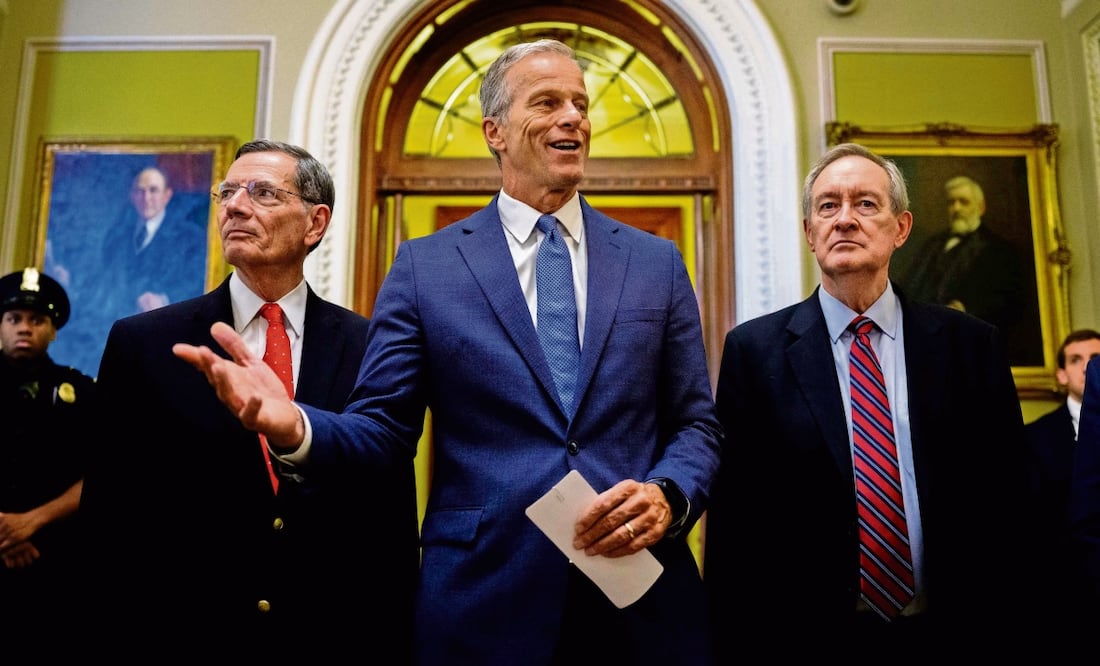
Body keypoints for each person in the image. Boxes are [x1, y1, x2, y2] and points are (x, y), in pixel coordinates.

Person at [174, 40, 722, 665]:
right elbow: (382, 432)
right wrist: (296, 425)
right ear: (495, 131)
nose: (574, 117)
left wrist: (668, 495)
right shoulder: (425, 267)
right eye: (547, 102)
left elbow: (696, 424)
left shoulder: (655, 262)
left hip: (640, 602)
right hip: (484, 602)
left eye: (580, 103)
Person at [78, 141, 418, 662]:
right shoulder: (144, 342)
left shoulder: (371, 345)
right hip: (178, 635)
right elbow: (108, 521)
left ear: (315, 223)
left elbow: (387, 519)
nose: (236, 206)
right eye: (228, 193)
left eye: (262, 193)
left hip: (331, 637)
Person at [702, 143, 1035, 660]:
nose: (845, 220)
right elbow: (737, 525)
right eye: (828, 206)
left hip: (957, 633)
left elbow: (1011, 502)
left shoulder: (970, 345)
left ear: (901, 228)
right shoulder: (755, 353)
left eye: (865, 204)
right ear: (810, 232)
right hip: (807, 639)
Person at [0, 267, 96, 653]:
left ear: (53, 329)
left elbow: (102, 472)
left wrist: (29, 523)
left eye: (37, 320)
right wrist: (6, 532)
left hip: (52, 564)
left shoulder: (80, 392)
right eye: (14, 319)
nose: (25, 327)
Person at [895, 175, 1037, 363]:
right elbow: (909, 285)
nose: (956, 208)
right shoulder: (932, 245)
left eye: (963, 202)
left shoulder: (1000, 250)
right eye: (951, 202)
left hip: (970, 347)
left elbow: (1011, 302)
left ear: (981, 207)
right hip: (923, 343)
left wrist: (968, 309)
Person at [1025, 328, 1100, 648]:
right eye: (1075, 359)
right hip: (1061, 584)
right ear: (1061, 374)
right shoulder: (1033, 436)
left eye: (1094, 359)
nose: (1086, 367)